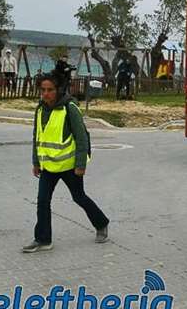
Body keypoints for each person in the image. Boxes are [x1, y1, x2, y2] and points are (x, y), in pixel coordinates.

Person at [23, 74, 109, 253]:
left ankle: (101, 223)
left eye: (50, 90)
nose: (45, 94)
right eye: (43, 90)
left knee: (79, 197)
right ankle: (43, 240)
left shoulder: (69, 108)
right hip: (48, 166)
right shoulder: (40, 109)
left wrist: (81, 165)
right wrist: (36, 161)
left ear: (58, 90)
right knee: (42, 201)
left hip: (70, 166)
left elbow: (82, 137)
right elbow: (37, 136)